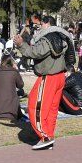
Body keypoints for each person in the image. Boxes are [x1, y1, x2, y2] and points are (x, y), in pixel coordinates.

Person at [15, 14, 74, 149]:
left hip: (49, 76)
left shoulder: (47, 38)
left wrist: (21, 45)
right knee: (51, 109)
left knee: (35, 106)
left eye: (41, 24)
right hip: (60, 75)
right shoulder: (62, 35)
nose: (39, 27)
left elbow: (35, 52)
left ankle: (45, 137)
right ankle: (49, 136)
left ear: (47, 23)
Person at [0, 54, 25, 119]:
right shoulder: (14, 72)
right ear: (11, 62)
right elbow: (21, 85)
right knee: (20, 92)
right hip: (11, 107)